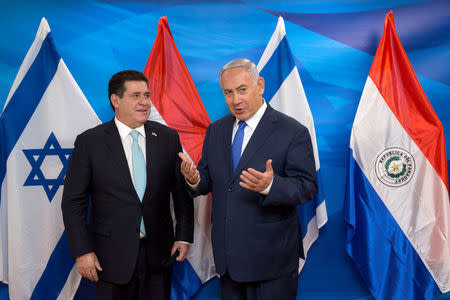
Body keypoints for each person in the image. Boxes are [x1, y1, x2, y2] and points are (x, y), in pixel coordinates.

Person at [179, 59, 317, 300]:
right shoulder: (216, 131)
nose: (235, 100)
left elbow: (307, 187)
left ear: (260, 86)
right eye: (228, 92)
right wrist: (194, 180)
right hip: (228, 260)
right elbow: (208, 180)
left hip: (272, 261)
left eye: (242, 90)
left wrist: (271, 186)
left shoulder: (292, 131)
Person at [61, 70, 193, 300]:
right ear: (116, 100)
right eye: (135, 95)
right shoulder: (89, 142)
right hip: (109, 258)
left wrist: (183, 235)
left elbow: (181, 194)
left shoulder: (167, 138)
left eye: (147, 95)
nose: (144, 102)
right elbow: (73, 203)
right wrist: (82, 251)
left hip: (159, 255)